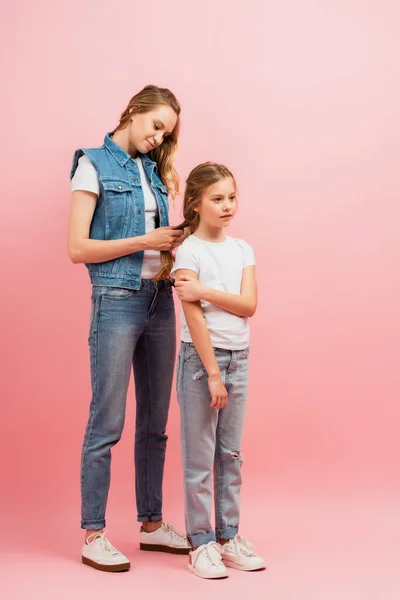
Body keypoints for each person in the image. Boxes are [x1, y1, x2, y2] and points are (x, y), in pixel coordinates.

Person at [68, 85, 190, 572]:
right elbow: (78, 248)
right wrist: (146, 239)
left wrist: (175, 244)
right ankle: (93, 533)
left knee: (155, 423)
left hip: (161, 300)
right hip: (116, 301)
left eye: (167, 132)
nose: (160, 138)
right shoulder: (92, 163)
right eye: (156, 125)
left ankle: (152, 523)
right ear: (134, 112)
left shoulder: (153, 171)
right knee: (107, 421)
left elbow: (157, 241)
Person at [170, 162, 266, 578]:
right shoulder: (188, 250)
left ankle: (229, 536)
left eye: (231, 197)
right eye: (217, 198)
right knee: (199, 458)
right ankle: (201, 542)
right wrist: (212, 373)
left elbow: (248, 307)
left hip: (239, 358)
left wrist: (206, 290)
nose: (227, 206)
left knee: (230, 455)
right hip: (200, 362)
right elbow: (194, 319)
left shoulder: (242, 249)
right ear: (196, 202)